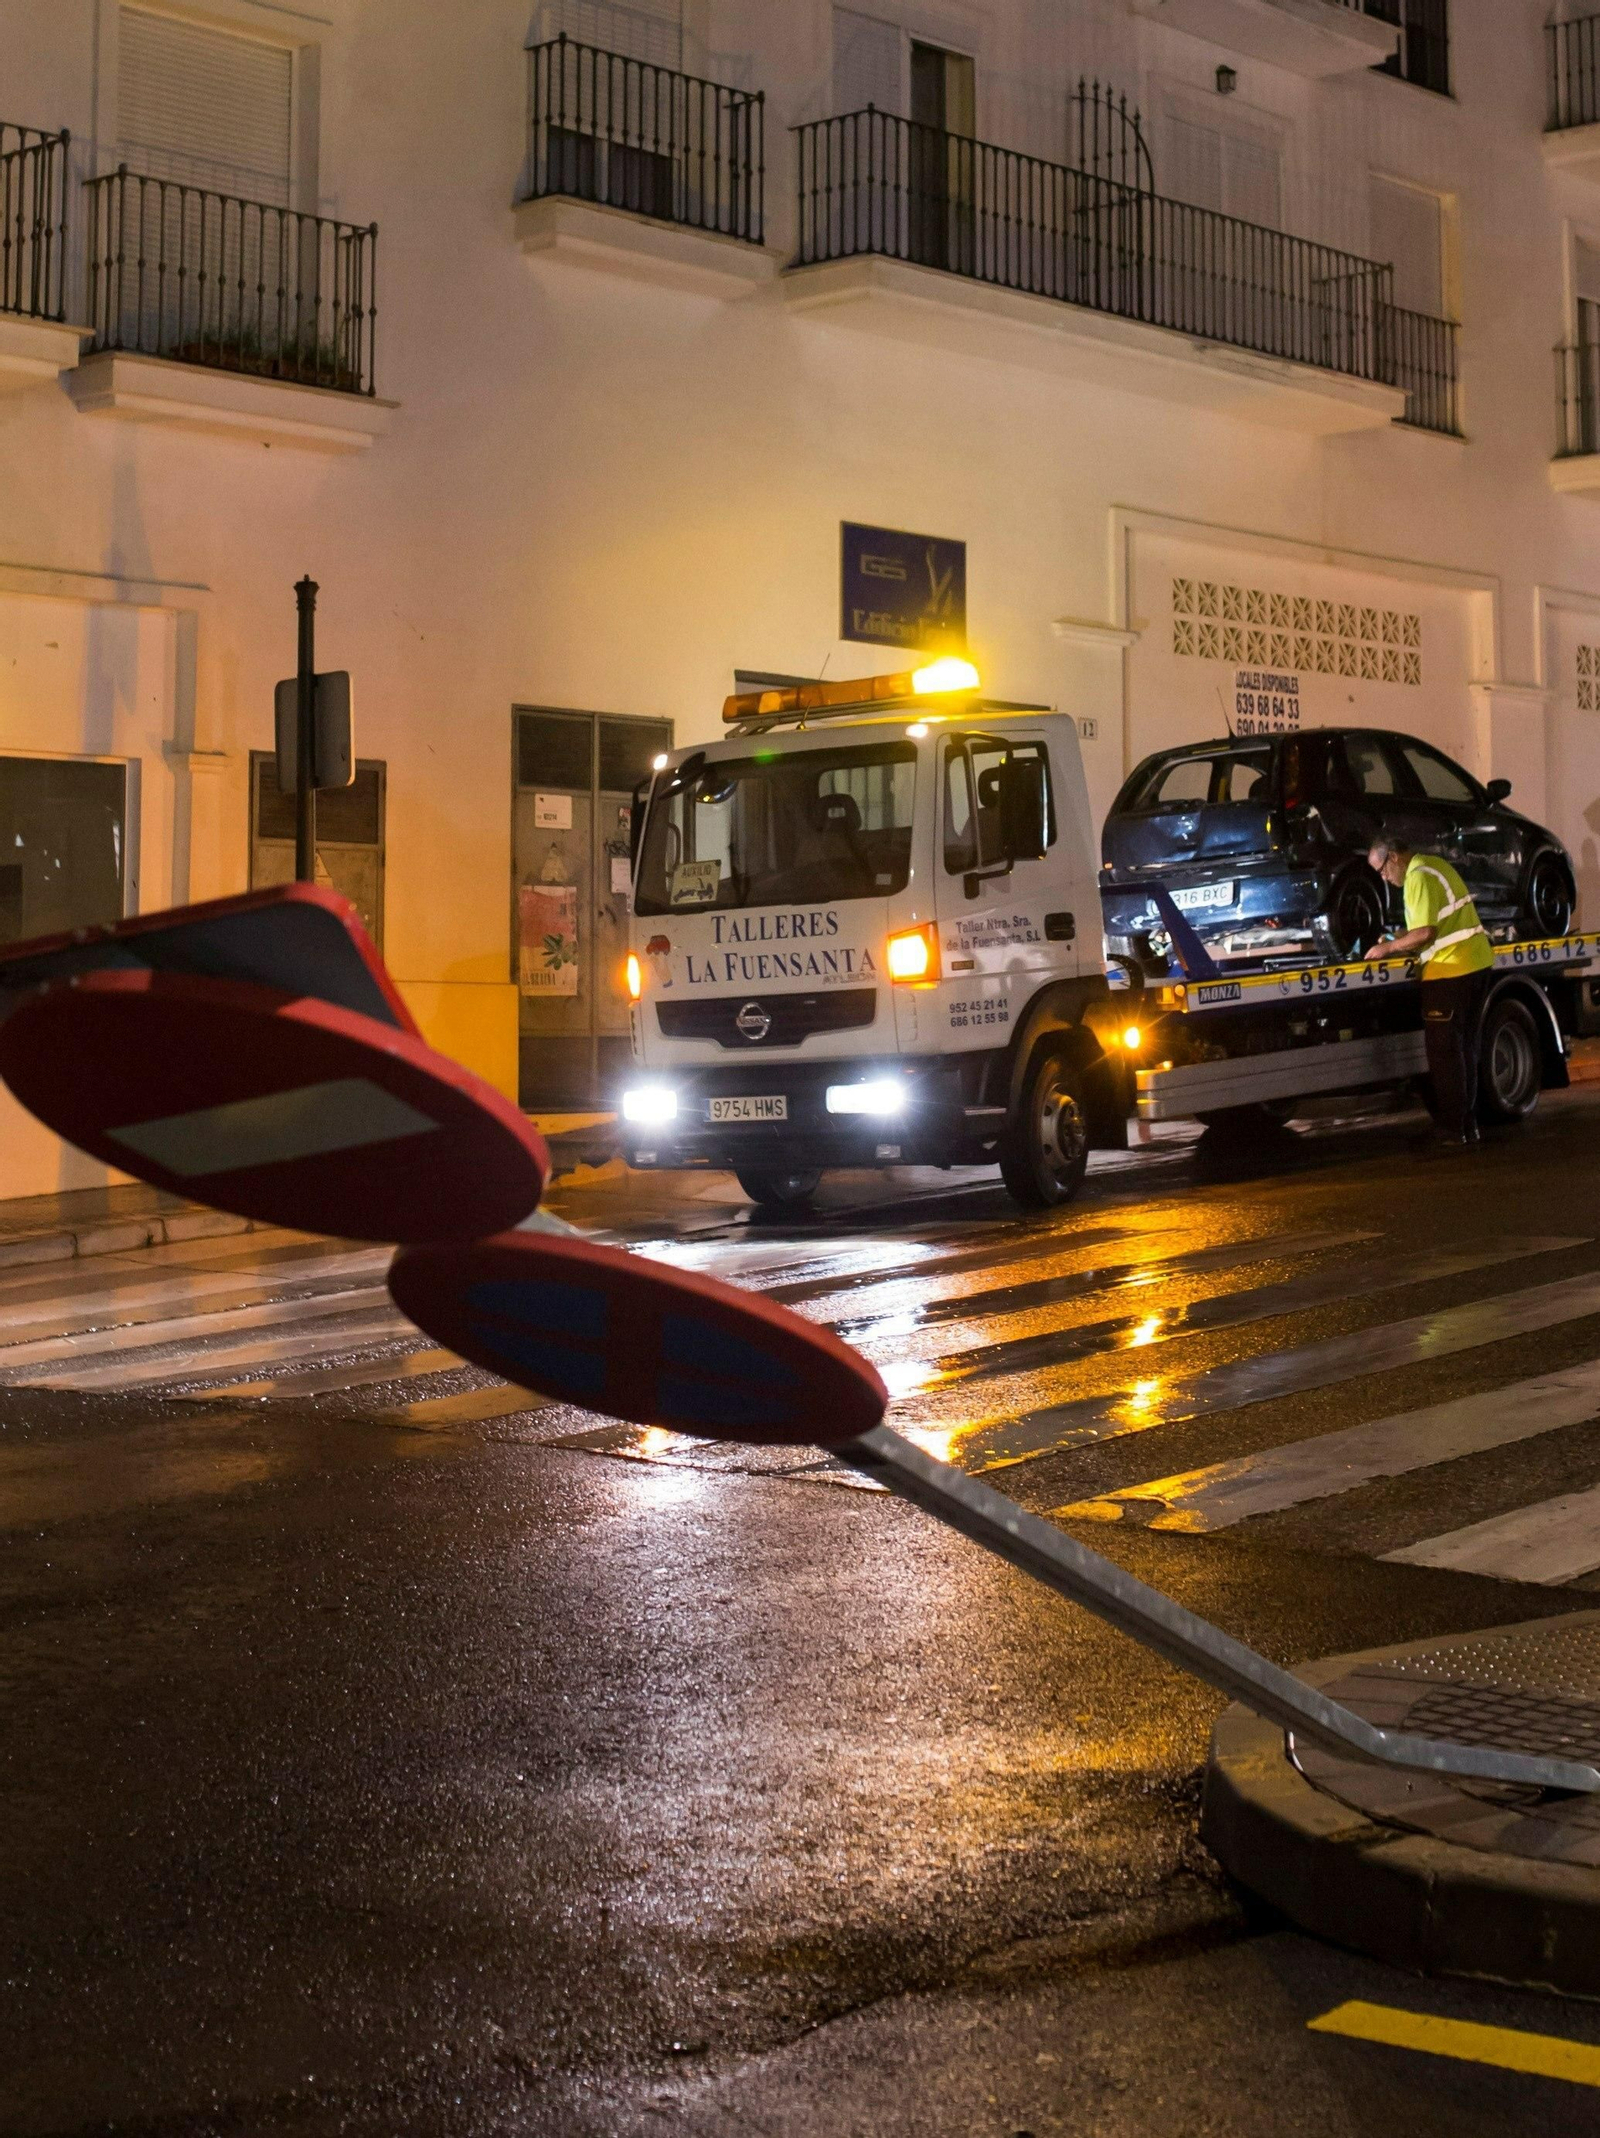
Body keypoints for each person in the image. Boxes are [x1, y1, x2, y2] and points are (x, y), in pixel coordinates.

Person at [1363, 838, 1493, 1148]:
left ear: (1394, 857)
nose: (1383, 878)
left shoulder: (1417, 876)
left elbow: (1426, 933)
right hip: (1477, 965)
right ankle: (1467, 1124)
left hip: (1450, 971)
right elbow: (1437, 922)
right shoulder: (1435, 865)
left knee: (1445, 1054)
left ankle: (1451, 1129)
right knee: (1465, 1050)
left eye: (1382, 870)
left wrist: (1388, 947)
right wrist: (1399, 937)